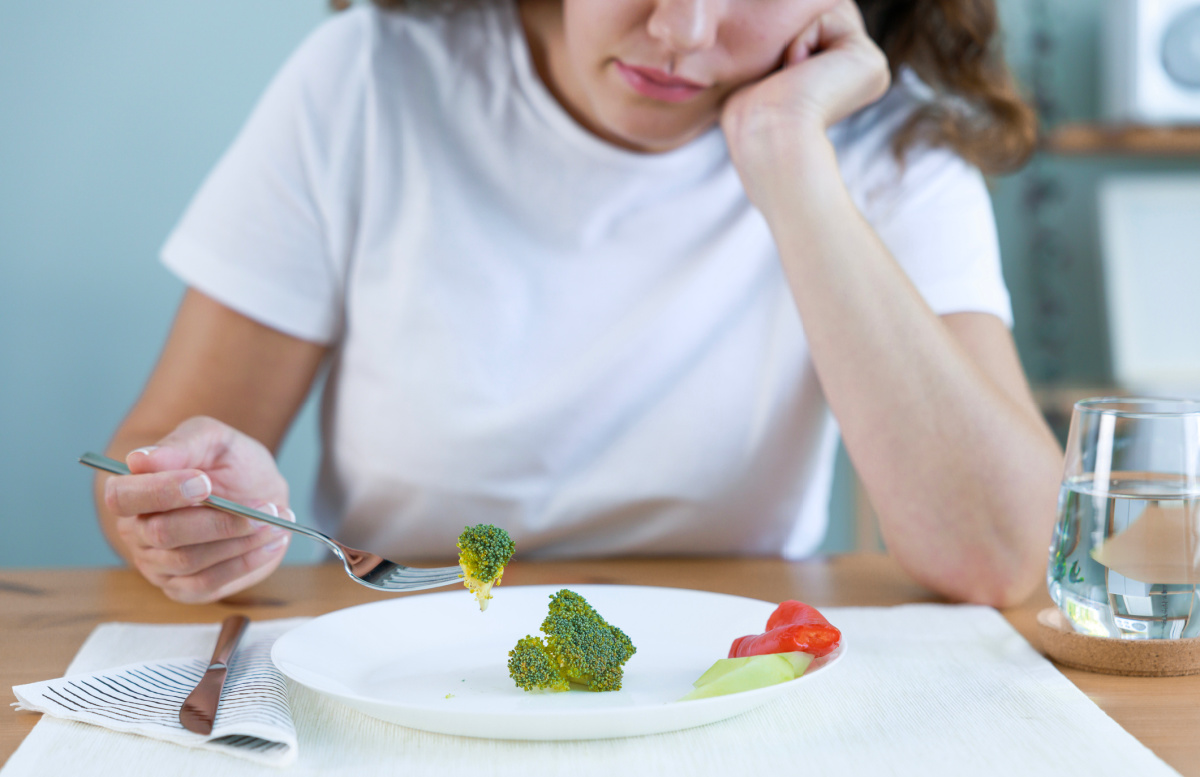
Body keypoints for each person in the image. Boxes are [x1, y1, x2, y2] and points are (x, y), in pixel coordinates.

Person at [95, 0, 1064, 607]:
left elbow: (999, 556)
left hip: (722, 667)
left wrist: (789, 156)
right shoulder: (369, 76)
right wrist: (188, 508)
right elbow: (154, 449)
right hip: (396, 639)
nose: (684, 29)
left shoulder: (886, 142)